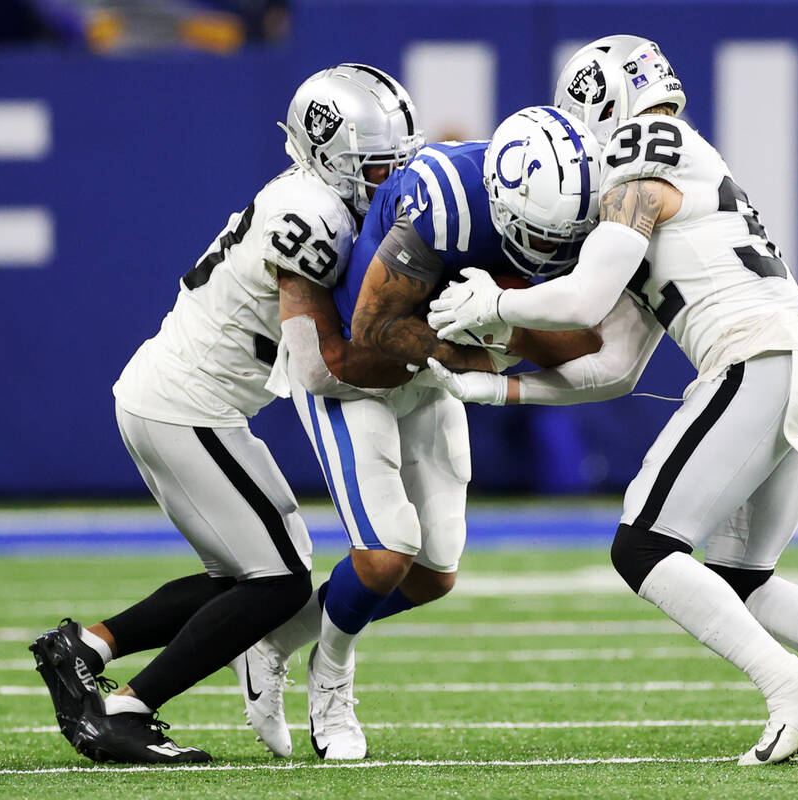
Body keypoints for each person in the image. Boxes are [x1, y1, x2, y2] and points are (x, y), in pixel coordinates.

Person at [425, 35, 798, 765]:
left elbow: (587, 296)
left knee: (642, 546)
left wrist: (498, 308)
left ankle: (793, 687)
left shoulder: (641, 146)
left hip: (758, 362)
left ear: (601, 101)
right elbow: (619, 368)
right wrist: (502, 388)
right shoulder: (679, 172)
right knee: (739, 578)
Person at [29, 63, 423, 764]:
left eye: (398, 163)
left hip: (181, 398)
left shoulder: (319, 199)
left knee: (244, 580)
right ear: (328, 154)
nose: (389, 180)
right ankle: (126, 710)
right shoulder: (312, 215)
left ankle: (85, 647)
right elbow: (315, 364)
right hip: (188, 405)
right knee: (278, 582)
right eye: (376, 166)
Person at [256, 106, 605, 760]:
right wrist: (480, 340)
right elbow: (367, 337)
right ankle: (331, 677)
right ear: (502, 203)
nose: (552, 253)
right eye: (537, 234)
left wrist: (504, 318)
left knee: (434, 571)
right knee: (389, 553)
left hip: (427, 372)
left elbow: (589, 345)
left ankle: (271, 642)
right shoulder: (441, 204)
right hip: (353, 374)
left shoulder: (579, 206)